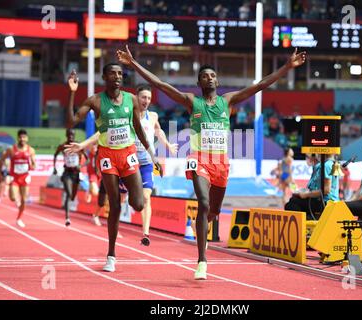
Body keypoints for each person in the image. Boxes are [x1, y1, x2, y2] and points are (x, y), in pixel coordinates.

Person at [116, 45, 306, 279]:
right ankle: (202, 262)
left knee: (213, 210)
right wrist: (133, 64)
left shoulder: (228, 101)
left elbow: (260, 85)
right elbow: (161, 85)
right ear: (199, 82)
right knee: (203, 203)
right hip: (199, 160)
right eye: (205, 76)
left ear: (217, 81)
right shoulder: (191, 102)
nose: (210, 78)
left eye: (213, 75)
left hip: (221, 163)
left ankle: (202, 228)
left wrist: (288, 66)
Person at [65, 63, 161, 273]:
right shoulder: (95, 101)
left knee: (138, 204)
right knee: (115, 206)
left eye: (120, 73)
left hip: (128, 155)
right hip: (107, 156)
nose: (117, 76)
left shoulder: (131, 99)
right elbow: (71, 122)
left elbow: (138, 128)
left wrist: (152, 156)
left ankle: (125, 186)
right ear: (104, 76)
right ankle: (111, 255)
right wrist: (71, 93)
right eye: (112, 73)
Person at [134, 84, 178, 246]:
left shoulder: (152, 116)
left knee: (146, 197)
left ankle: (145, 233)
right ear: (136, 97)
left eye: (149, 98)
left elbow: (158, 131)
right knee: (127, 198)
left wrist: (168, 145)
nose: (146, 101)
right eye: (143, 97)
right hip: (129, 164)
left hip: (146, 163)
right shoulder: (128, 115)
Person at [0, 129, 36, 228]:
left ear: (27, 138)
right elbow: (1, 160)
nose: (22, 139)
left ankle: (19, 218)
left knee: (23, 199)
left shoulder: (31, 150)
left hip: (25, 177)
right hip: (14, 177)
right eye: (20, 137)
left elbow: (34, 165)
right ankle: (10, 186)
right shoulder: (11, 149)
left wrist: (32, 165)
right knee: (13, 198)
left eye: (24, 137)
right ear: (18, 138)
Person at [284, 153, 339, 220]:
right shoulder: (327, 164)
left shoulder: (326, 165)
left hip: (326, 201)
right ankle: (307, 219)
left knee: (291, 204)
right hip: (324, 199)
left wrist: (307, 195)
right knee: (293, 200)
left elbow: (326, 190)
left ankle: (307, 222)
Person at [53, 128, 87, 227]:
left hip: (76, 173)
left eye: (72, 135)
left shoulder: (78, 145)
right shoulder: (63, 146)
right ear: (66, 135)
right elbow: (55, 155)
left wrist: (80, 166)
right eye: (69, 135)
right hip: (67, 172)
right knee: (69, 194)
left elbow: (87, 159)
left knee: (72, 196)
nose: (71, 136)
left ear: (74, 135)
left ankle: (71, 197)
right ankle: (67, 218)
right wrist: (54, 168)